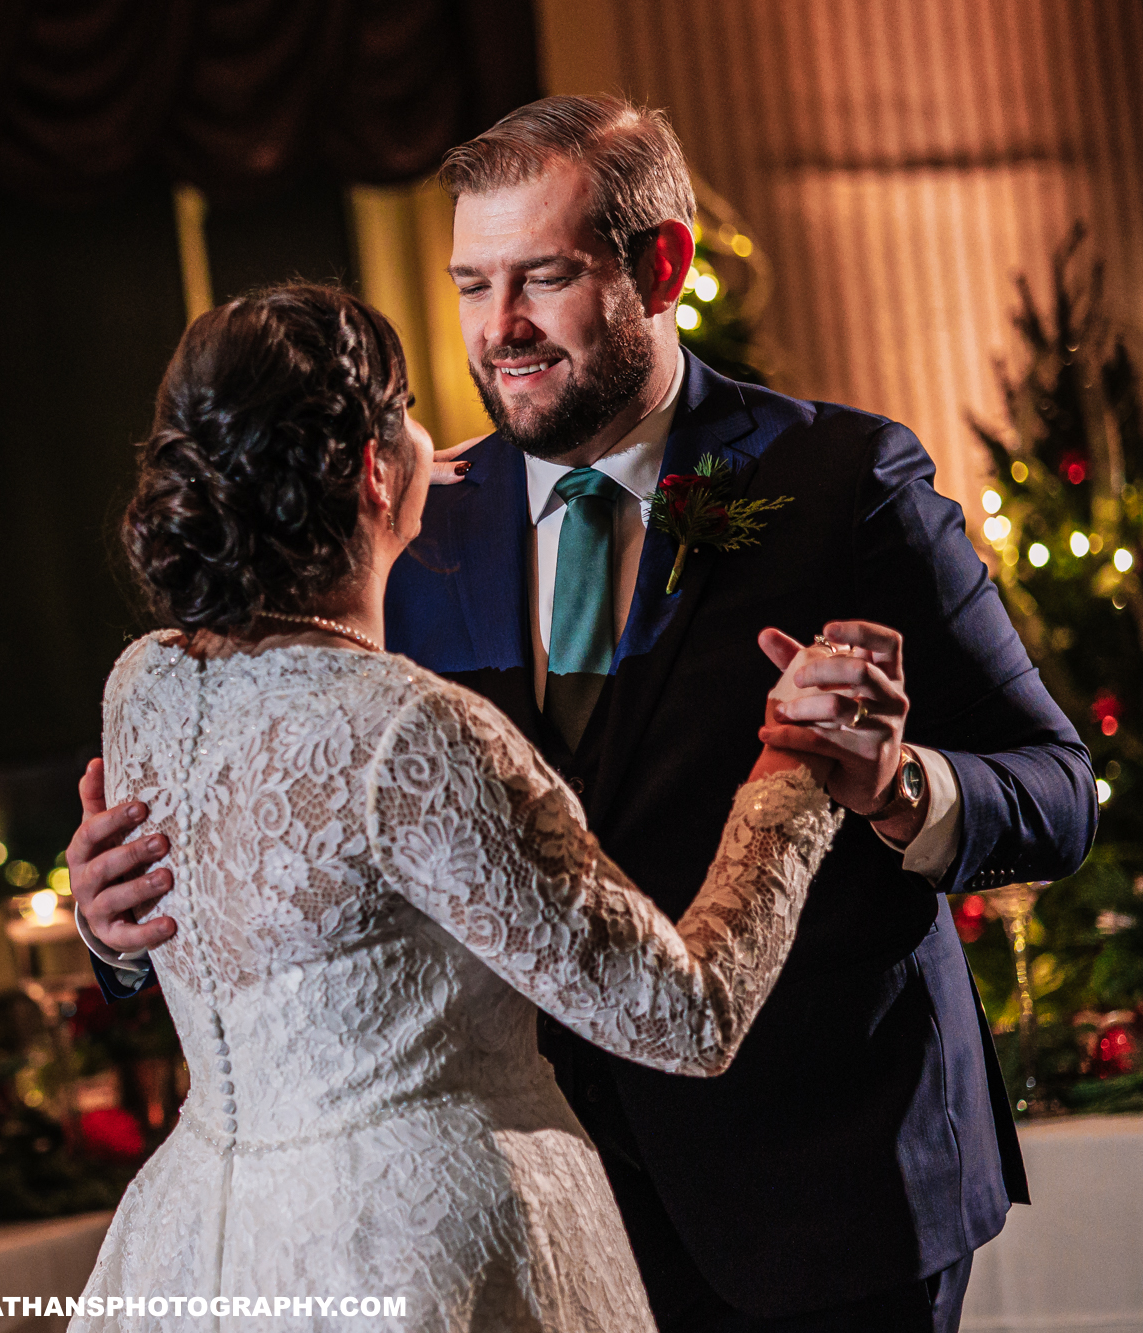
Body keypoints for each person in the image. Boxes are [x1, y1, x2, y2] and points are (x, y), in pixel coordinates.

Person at [69, 98, 1097, 1332]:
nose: (496, 329)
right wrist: (118, 922)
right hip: (531, 1215)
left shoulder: (847, 487)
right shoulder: (408, 518)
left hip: (820, 1187)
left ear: (659, 266)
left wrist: (896, 786)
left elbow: (1054, 787)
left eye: (541, 277)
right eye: (469, 284)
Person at [69, 280, 841, 1331]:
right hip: (415, 1249)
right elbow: (684, 1015)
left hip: (201, 1244)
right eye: (408, 410)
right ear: (372, 471)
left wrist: (109, 935)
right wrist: (794, 769)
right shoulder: (407, 731)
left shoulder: (142, 684)